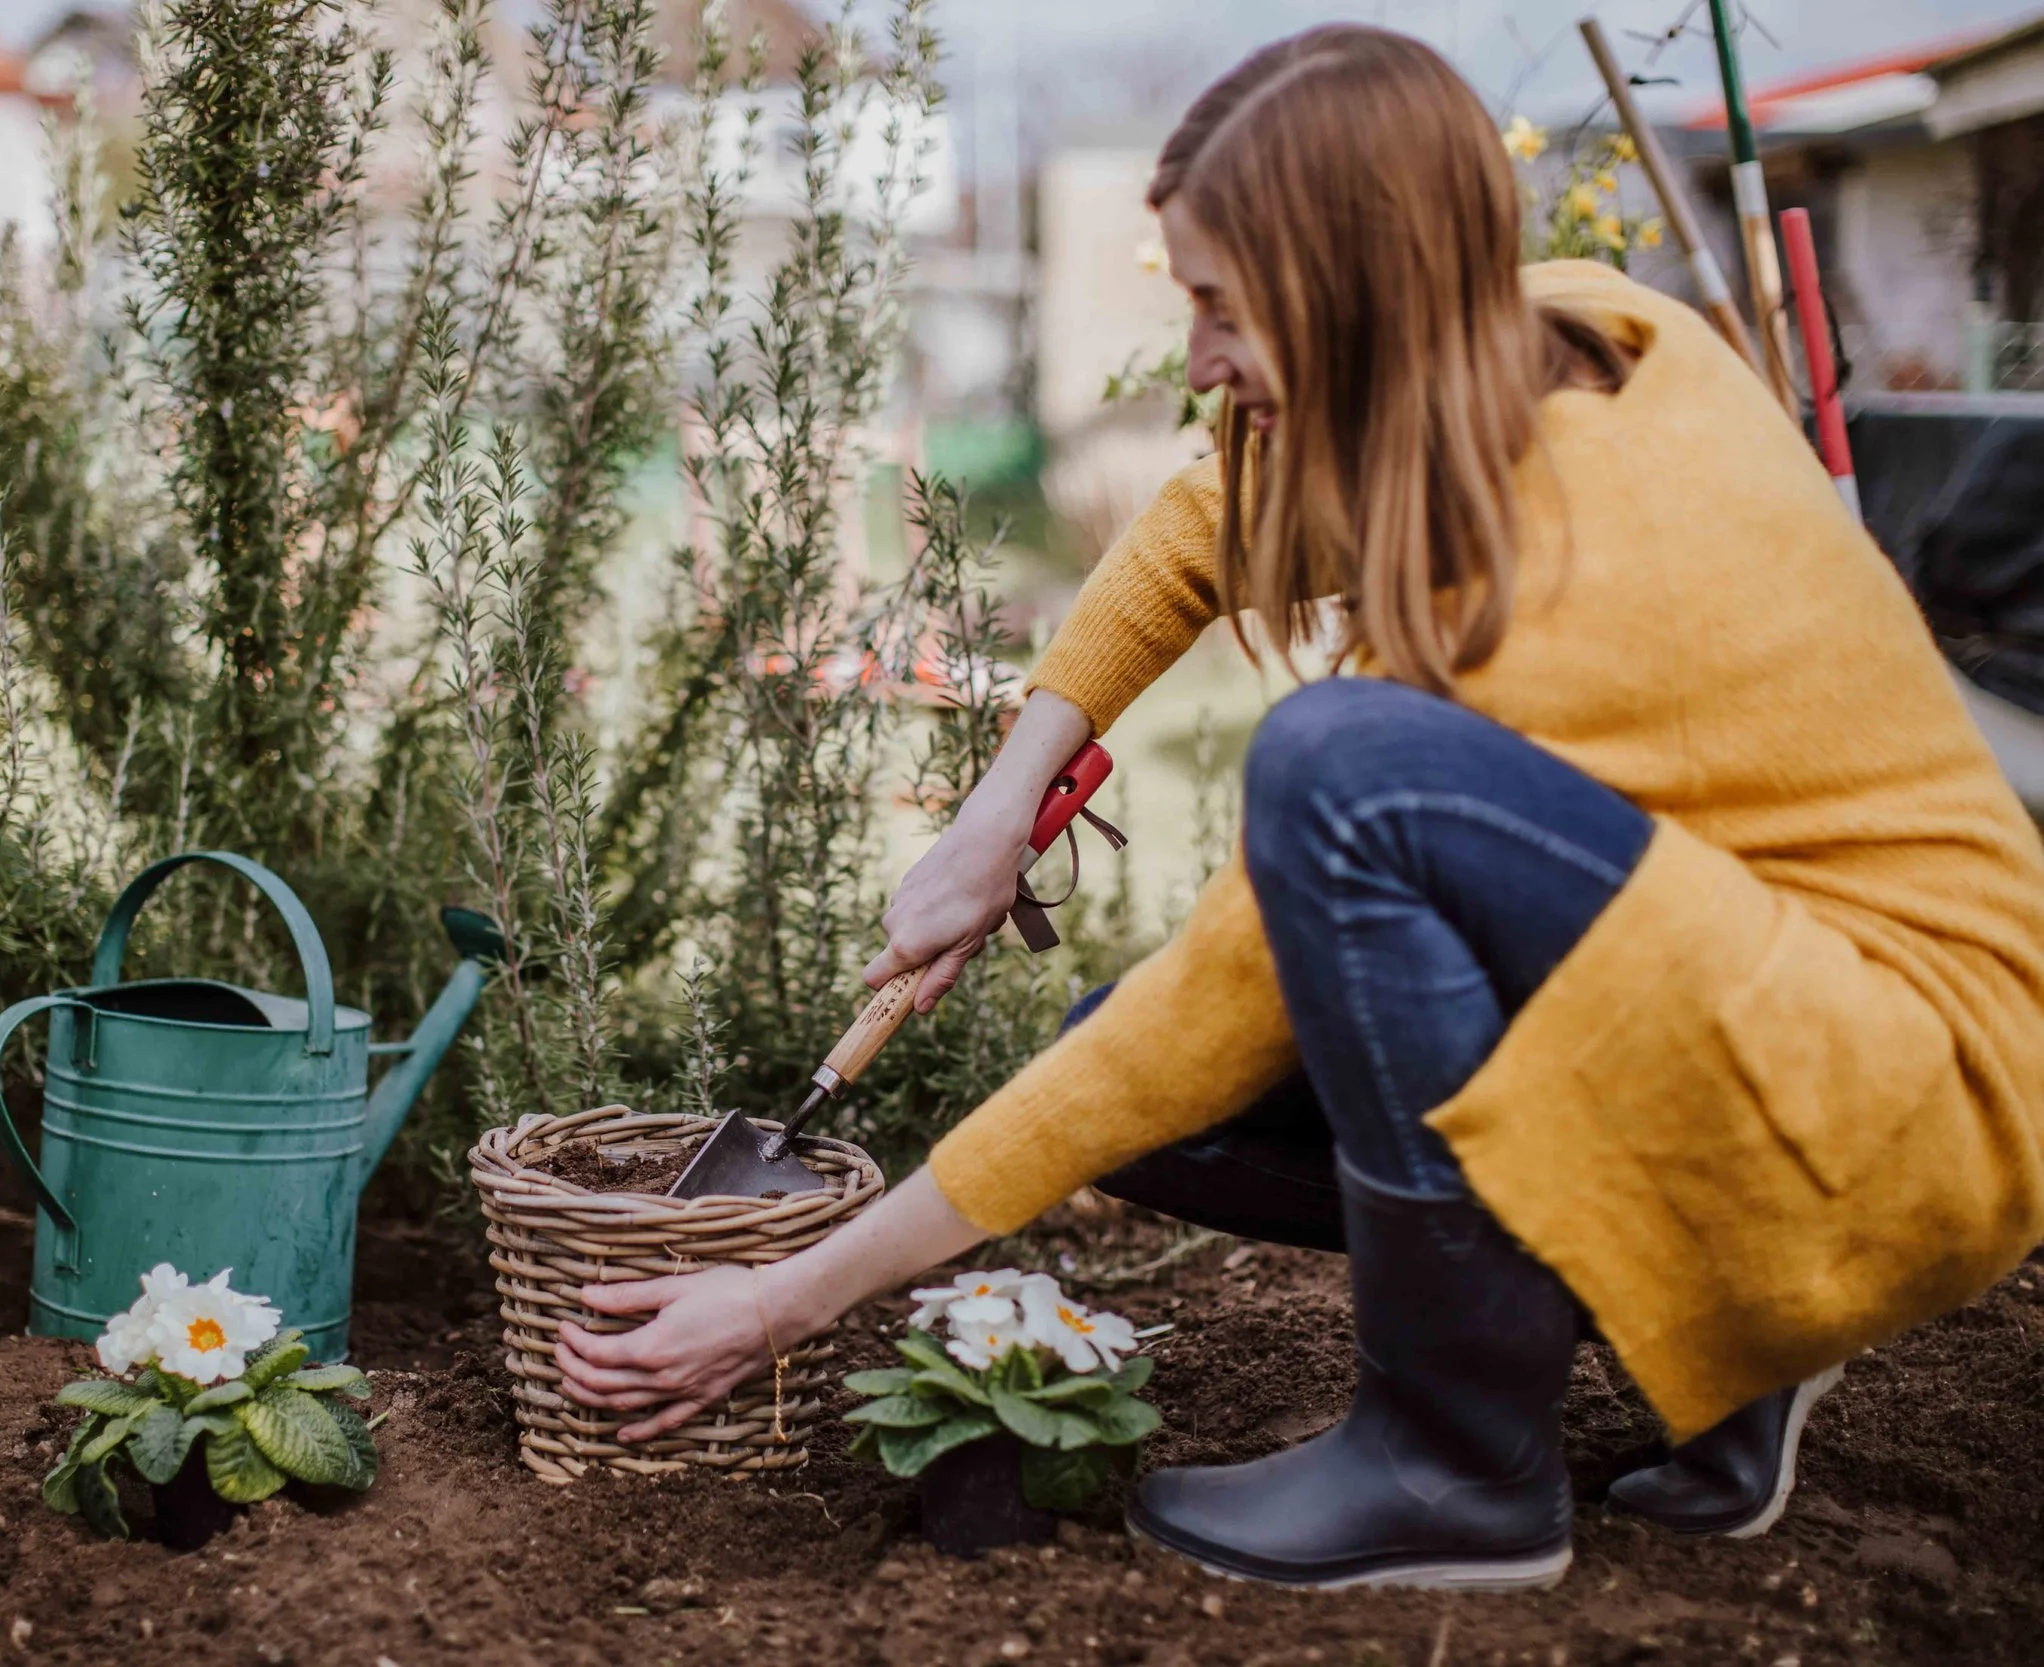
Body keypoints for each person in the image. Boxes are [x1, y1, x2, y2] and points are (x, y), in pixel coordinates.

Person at [556, 24, 2044, 1590]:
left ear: (1351, 285)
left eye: (1221, 306)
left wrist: (786, 1297)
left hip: (1924, 1095)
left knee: (1331, 775)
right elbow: (1213, 516)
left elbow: (1211, 1006)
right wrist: (997, 815)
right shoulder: (1545, 339)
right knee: (1160, 1082)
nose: (1195, 358)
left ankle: (1457, 1465)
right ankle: (1732, 1311)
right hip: (1786, 1008)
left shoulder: (1576, 575)